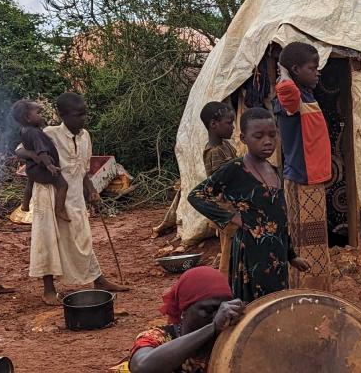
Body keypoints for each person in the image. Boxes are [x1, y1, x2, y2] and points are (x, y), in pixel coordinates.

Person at [188, 108, 311, 302]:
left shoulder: (274, 170)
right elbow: (196, 195)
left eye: (272, 134)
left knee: (275, 305)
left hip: (276, 256)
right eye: (259, 136)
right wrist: (230, 218)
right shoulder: (236, 169)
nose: (267, 141)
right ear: (244, 138)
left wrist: (291, 256)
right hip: (251, 253)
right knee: (251, 308)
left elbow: (279, 217)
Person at [20, 92, 129, 305]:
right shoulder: (50, 133)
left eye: (85, 115)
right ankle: (49, 290)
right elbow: (20, 149)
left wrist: (92, 191)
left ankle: (99, 281)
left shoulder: (85, 136)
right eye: (78, 115)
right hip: (50, 194)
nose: (83, 119)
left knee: (82, 237)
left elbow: (83, 168)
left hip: (76, 195)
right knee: (49, 239)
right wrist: (35, 157)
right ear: (63, 115)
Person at [273, 41, 334, 291]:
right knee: (308, 242)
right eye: (312, 67)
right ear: (296, 70)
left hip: (311, 177)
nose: (317, 72)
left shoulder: (306, 95)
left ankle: (311, 288)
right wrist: (284, 70)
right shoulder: (290, 96)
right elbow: (285, 88)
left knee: (312, 238)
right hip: (302, 178)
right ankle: (311, 289)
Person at [115, 267, 245, 373]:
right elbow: (141, 367)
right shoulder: (157, 337)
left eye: (224, 308)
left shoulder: (230, 339)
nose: (220, 315)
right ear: (183, 311)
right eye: (210, 310)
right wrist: (212, 327)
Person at [152, 102, 238, 255]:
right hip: (226, 207)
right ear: (213, 124)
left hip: (230, 205)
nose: (233, 127)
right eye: (229, 123)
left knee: (230, 246)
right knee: (229, 247)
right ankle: (225, 274)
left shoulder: (225, 145)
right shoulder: (215, 152)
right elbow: (221, 182)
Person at [12, 100, 69, 222]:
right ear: (27, 117)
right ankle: (59, 210)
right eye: (38, 113)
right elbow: (40, 151)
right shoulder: (36, 133)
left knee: (30, 182)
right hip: (42, 167)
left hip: (32, 168)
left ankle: (25, 205)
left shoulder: (24, 130)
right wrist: (50, 165)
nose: (42, 116)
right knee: (62, 184)